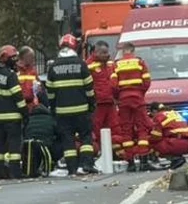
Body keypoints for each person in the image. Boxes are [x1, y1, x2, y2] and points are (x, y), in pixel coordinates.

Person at [47, 34, 96, 175]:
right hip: (82, 110)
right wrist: (91, 104)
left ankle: (71, 168)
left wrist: (53, 107)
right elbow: (89, 88)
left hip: (62, 112)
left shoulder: (53, 67)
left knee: (67, 140)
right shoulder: (81, 64)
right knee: (85, 137)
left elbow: (50, 92)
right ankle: (86, 165)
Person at [0, 44, 27, 180]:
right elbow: (18, 97)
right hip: (12, 117)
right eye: (13, 58)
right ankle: (14, 172)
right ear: (5, 59)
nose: (15, 61)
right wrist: (25, 113)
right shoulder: (10, 75)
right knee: (14, 146)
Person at [111, 41, 152, 171]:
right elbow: (147, 81)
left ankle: (130, 163)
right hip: (138, 98)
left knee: (126, 131)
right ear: (133, 51)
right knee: (142, 129)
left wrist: (118, 97)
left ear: (123, 51)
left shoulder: (116, 64)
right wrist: (140, 93)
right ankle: (144, 160)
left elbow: (113, 85)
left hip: (123, 100)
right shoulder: (140, 63)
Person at [87, 41, 119, 159]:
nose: (107, 55)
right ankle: (100, 153)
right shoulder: (89, 65)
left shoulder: (110, 64)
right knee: (96, 129)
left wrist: (117, 96)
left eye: (107, 52)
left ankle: (114, 153)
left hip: (110, 102)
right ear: (96, 52)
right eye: (103, 53)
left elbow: (115, 81)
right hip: (98, 103)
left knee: (114, 128)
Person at [149, 103, 188, 169]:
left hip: (177, 144)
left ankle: (175, 159)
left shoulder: (158, 116)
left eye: (151, 115)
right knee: (168, 136)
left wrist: (147, 140)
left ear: (154, 111)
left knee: (153, 144)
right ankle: (178, 158)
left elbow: (156, 136)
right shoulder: (175, 113)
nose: (152, 117)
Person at [24, 92, 61, 171]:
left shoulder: (28, 119)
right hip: (47, 148)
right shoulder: (51, 119)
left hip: (29, 149)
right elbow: (60, 133)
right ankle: (53, 162)